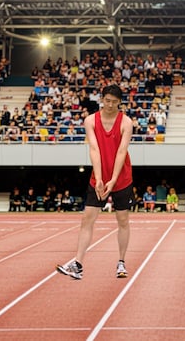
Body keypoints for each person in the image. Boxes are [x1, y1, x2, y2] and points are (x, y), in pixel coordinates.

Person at [56, 84, 134, 280]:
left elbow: (121, 152)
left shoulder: (126, 122)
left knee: (122, 220)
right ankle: (78, 263)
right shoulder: (90, 120)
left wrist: (113, 180)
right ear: (102, 99)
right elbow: (94, 149)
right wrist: (99, 179)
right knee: (87, 219)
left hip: (121, 177)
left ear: (120, 103)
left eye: (114, 102)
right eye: (107, 101)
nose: (110, 105)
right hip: (98, 176)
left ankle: (121, 262)